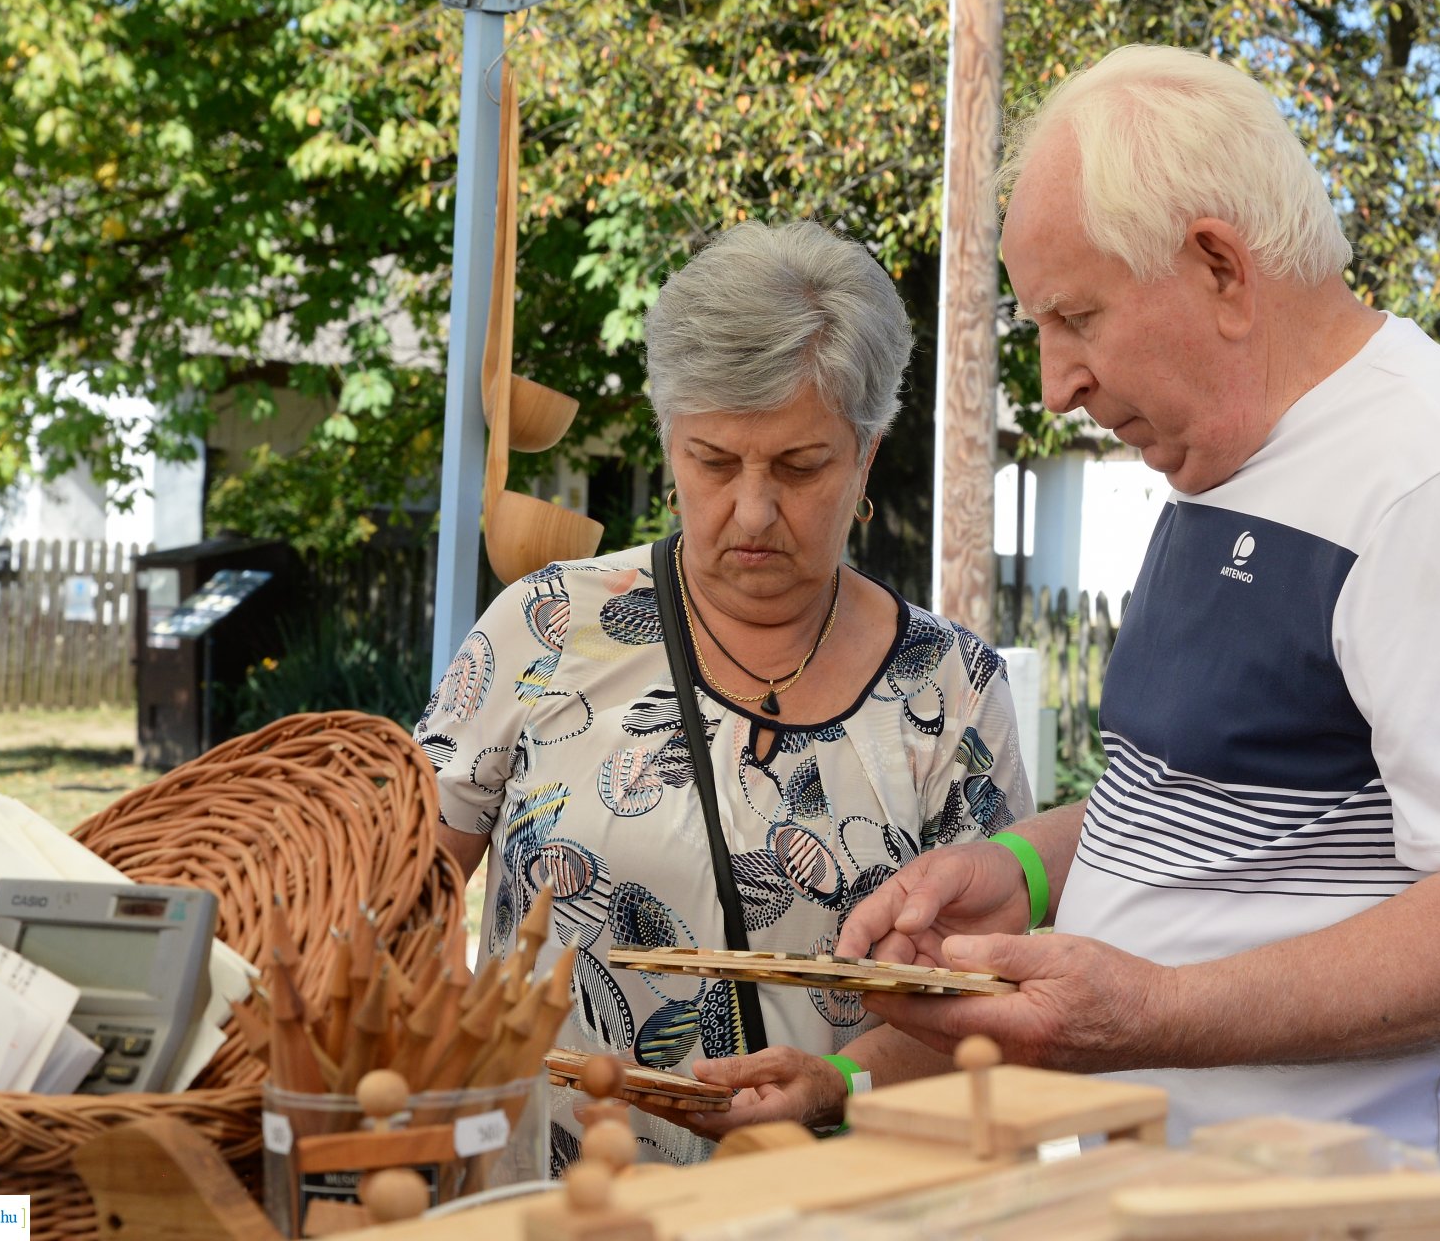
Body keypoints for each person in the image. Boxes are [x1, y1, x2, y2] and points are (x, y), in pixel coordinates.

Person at [837, 45, 1440, 1173]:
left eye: (1077, 317)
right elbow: (1214, 806)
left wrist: (1152, 1010)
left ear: (1220, 266)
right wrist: (1023, 867)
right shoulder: (1224, 460)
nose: (1056, 382)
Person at [416, 218, 1032, 1168]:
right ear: (669, 443)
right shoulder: (545, 629)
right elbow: (398, 891)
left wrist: (840, 1085)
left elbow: (985, 1009)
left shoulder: (949, 692)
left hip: (831, 1212)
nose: (751, 512)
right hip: (552, 1211)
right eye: (712, 462)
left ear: (865, 457)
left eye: (799, 467)